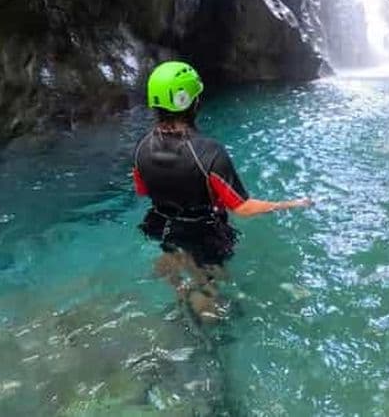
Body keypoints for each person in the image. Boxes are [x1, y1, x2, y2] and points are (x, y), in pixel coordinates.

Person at [132, 60, 311, 321]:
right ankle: (207, 333)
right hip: (203, 232)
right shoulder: (210, 152)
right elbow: (243, 208)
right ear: (193, 103)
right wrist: (291, 204)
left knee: (182, 273)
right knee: (210, 289)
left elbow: (142, 189)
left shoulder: (140, 148)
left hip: (161, 225)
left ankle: (181, 297)